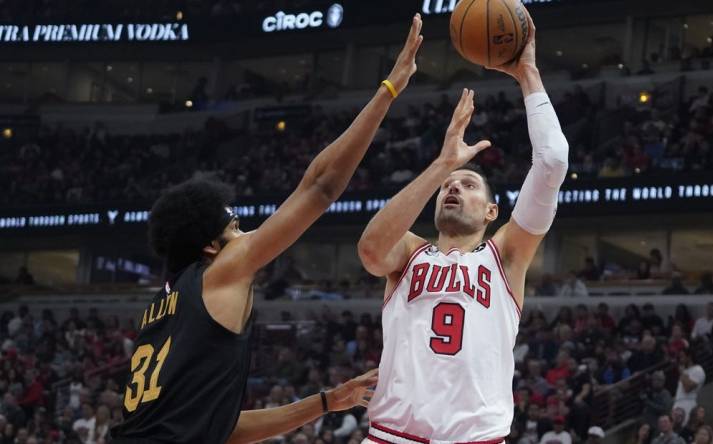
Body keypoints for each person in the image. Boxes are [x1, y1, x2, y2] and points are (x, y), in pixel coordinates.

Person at [110, 14, 426, 444]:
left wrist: (327, 402)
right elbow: (320, 187)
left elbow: (223, 429)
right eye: (236, 227)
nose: (247, 235)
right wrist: (388, 91)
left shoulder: (161, 310)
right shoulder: (221, 272)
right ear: (209, 246)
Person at [357, 12, 569, 443]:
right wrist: (442, 165)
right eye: (447, 187)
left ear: (492, 212)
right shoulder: (409, 252)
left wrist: (527, 73)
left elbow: (553, 162)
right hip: (391, 436)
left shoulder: (506, 255)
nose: (453, 188)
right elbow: (370, 251)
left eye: (468, 184)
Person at [674, 348, 705, 426]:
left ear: (689, 357)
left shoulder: (698, 370)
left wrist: (682, 373)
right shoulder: (685, 371)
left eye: (682, 357)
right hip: (678, 402)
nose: (680, 359)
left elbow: (687, 388)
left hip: (688, 402)